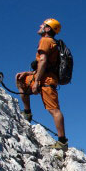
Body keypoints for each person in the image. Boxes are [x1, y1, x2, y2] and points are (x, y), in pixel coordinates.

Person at [16, 18, 68, 150]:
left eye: (43, 25)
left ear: (48, 28)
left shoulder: (45, 40)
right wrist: (30, 74)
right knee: (20, 79)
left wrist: (37, 81)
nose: (40, 26)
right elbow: (44, 64)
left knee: (53, 110)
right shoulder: (53, 42)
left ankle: (62, 142)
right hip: (45, 77)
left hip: (46, 80)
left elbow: (43, 61)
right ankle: (27, 112)